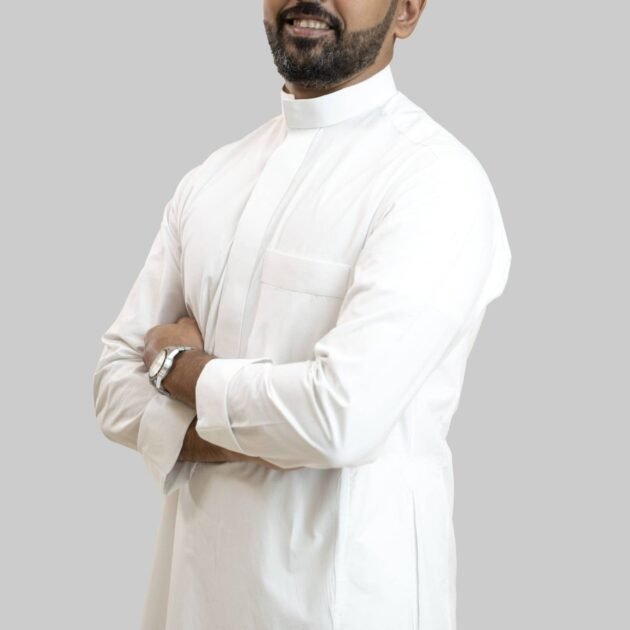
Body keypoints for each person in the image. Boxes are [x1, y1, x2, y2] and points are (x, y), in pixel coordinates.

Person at [92, 1, 512, 628]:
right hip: (191, 602)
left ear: (407, 11)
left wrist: (176, 368)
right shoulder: (212, 178)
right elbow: (110, 386)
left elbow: (338, 419)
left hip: (347, 607)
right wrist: (266, 433)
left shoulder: (435, 183)